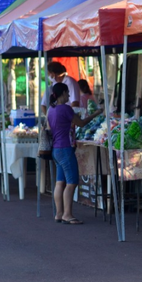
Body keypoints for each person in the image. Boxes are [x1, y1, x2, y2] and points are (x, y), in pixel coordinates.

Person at [47, 83, 96, 224]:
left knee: (59, 182)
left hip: (56, 149)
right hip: (65, 149)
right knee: (72, 182)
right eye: (67, 93)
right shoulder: (66, 109)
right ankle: (67, 214)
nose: (69, 95)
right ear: (62, 93)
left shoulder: (51, 109)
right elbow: (81, 123)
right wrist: (96, 113)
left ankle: (59, 213)